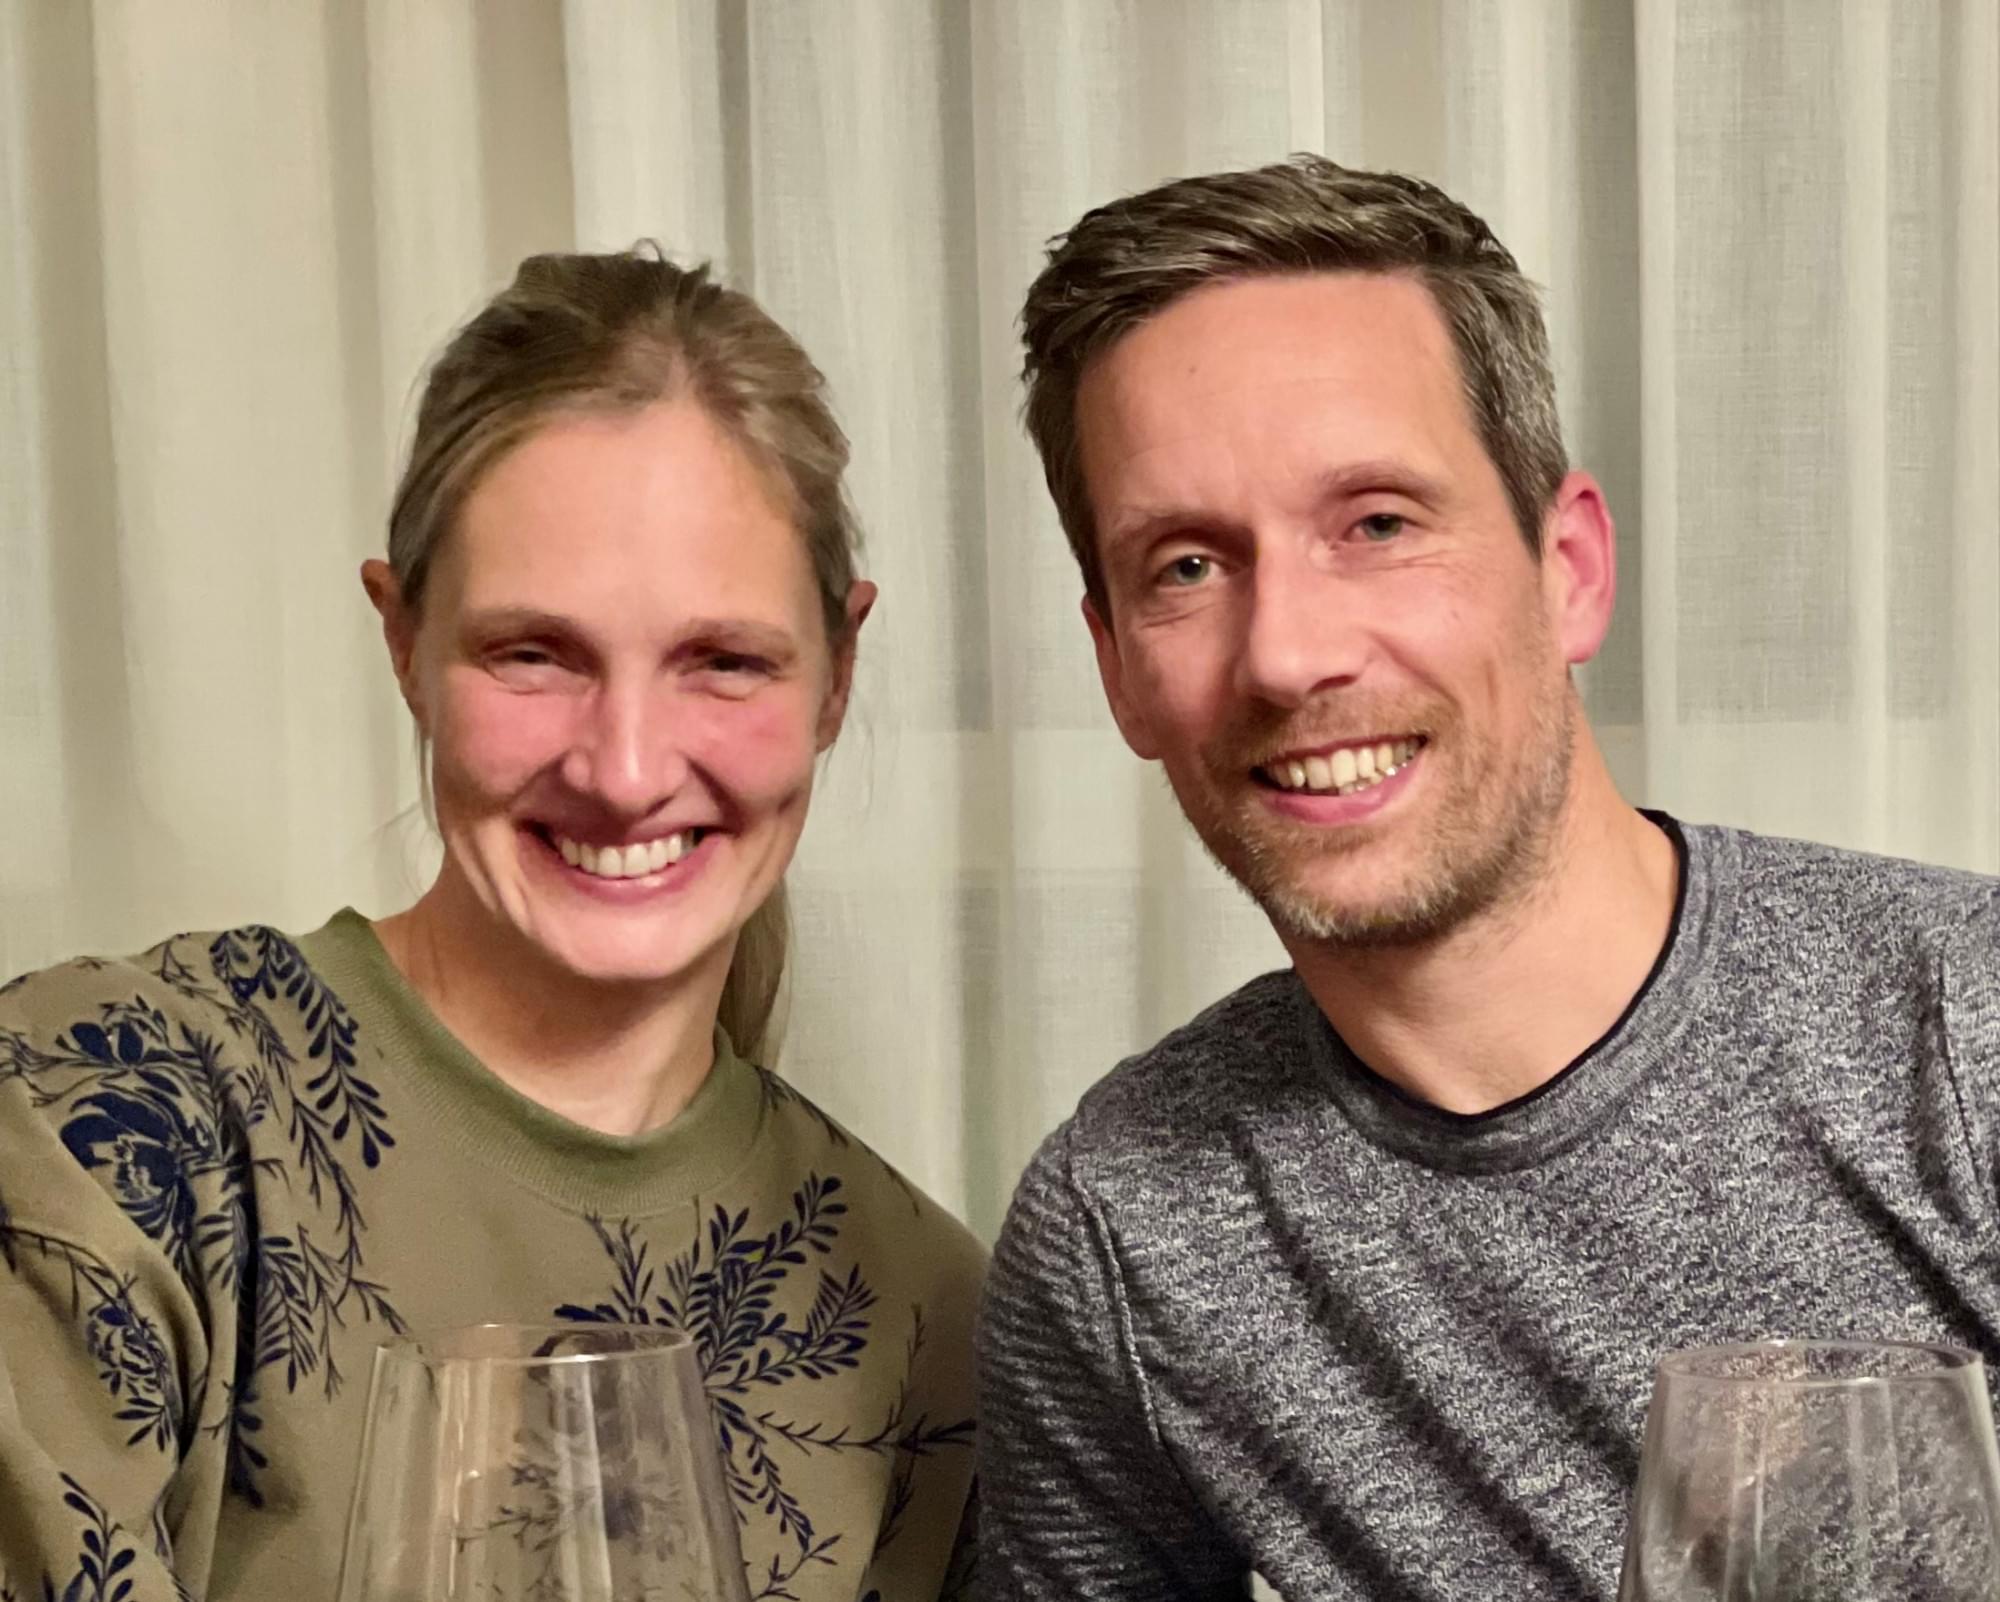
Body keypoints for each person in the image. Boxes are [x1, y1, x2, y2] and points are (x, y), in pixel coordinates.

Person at [976, 154, 2000, 1600]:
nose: (1288, 653)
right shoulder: (1125, 1232)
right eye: (1188, 566)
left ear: (1568, 566)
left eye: (1378, 524)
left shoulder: (1967, 1031)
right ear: (1118, 670)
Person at [0, 248, 983, 1602]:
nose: (624, 769)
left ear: (837, 673)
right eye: (534, 653)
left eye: (723, 661)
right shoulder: (101, 1121)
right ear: (404, 642)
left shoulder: (929, 1317)